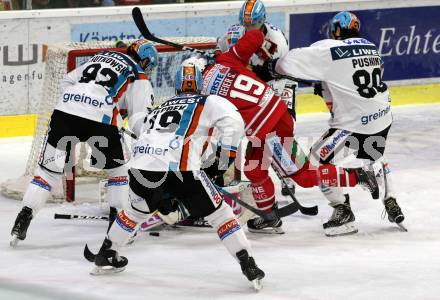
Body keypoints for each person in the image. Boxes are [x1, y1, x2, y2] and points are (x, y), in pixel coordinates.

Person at [89, 63, 265, 290]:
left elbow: (140, 131)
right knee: (221, 215)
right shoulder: (208, 101)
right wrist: (222, 163)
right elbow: (234, 123)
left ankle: (106, 254)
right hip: (180, 169)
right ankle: (248, 264)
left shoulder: (160, 108)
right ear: (200, 84)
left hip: (140, 168)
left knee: (134, 212)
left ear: (177, 85)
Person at [201, 29, 379, 234]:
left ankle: (359, 176)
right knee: (255, 170)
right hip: (271, 120)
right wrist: (260, 48)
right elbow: (256, 35)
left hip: (271, 128)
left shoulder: (207, 98)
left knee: (303, 177)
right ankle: (269, 217)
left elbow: (217, 132)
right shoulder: (226, 60)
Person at [10, 40, 158, 246]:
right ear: (144, 61)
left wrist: (77, 105)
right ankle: (117, 227)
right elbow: (139, 120)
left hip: (65, 113)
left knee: (48, 172)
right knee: (118, 172)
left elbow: (67, 81)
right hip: (101, 121)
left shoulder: (100, 57)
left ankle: (23, 218)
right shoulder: (139, 74)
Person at [272, 11, 405, 236]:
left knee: (315, 162)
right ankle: (391, 200)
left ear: (335, 30)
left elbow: (286, 63)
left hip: (354, 125)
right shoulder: (370, 47)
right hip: (383, 117)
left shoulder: (329, 48)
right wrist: (326, 86)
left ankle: (342, 211)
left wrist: (271, 66)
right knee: (374, 154)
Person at [217, 0, 296, 196]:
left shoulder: (276, 41)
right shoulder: (235, 32)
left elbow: (274, 76)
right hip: (250, 86)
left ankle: (287, 172)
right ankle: (234, 174)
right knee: (245, 131)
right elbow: (221, 51)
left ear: (262, 20)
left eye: (252, 24)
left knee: (281, 130)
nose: (248, 27)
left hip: (279, 84)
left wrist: (247, 72)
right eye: (246, 23)